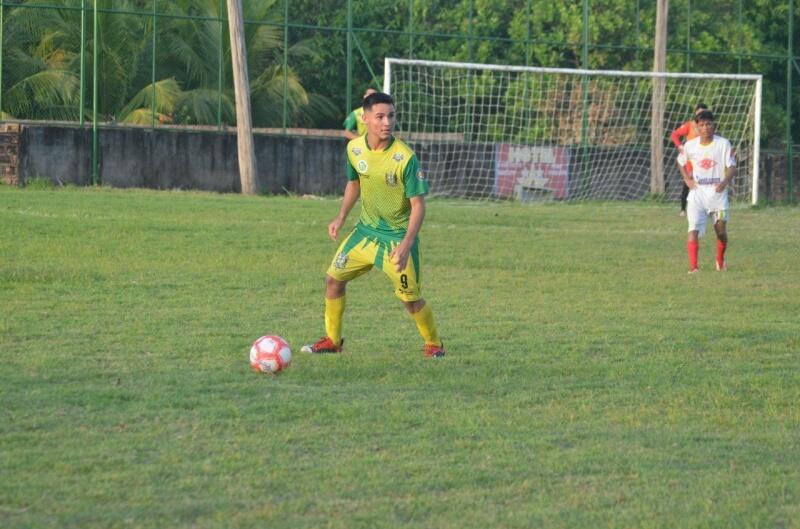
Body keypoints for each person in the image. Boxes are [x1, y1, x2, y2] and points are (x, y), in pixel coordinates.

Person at [302, 92, 445, 357]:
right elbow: (354, 184)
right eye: (379, 116)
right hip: (365, 233)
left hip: (396, 240)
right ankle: (333, 341)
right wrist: (341, 217)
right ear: (365, 118)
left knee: (410, 300)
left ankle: (434, 344)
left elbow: (418, 205)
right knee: (333, 281)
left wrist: (406, 244)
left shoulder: (405, 158)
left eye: (391, 116)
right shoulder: (354, 149)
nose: (386, 122)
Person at [677, 110, 736, 274]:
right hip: (697, 194)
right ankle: (694, 267)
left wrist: (724, 182)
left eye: (708, 124)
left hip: (718, 195)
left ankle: (720, 259)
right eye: (702, 125)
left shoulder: (723, 144)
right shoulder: (690, 145)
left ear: (713, 125)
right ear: (696, 127)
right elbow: (680, 162)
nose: (705, 128)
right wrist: (687, 180)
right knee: (692, 229)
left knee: (721, 231)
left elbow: (732, 166)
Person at [671, 103, 709, 216]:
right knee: (687, 184)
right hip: (691, 161)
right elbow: (674, 135)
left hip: (703, 158)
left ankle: (705, 209)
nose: (701, 114)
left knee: (704, 184)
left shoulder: (707, 126)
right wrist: (680, 146)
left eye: (703, 112)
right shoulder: (690, 125)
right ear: (695, 113)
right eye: (699, 112)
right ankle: (683, 209)